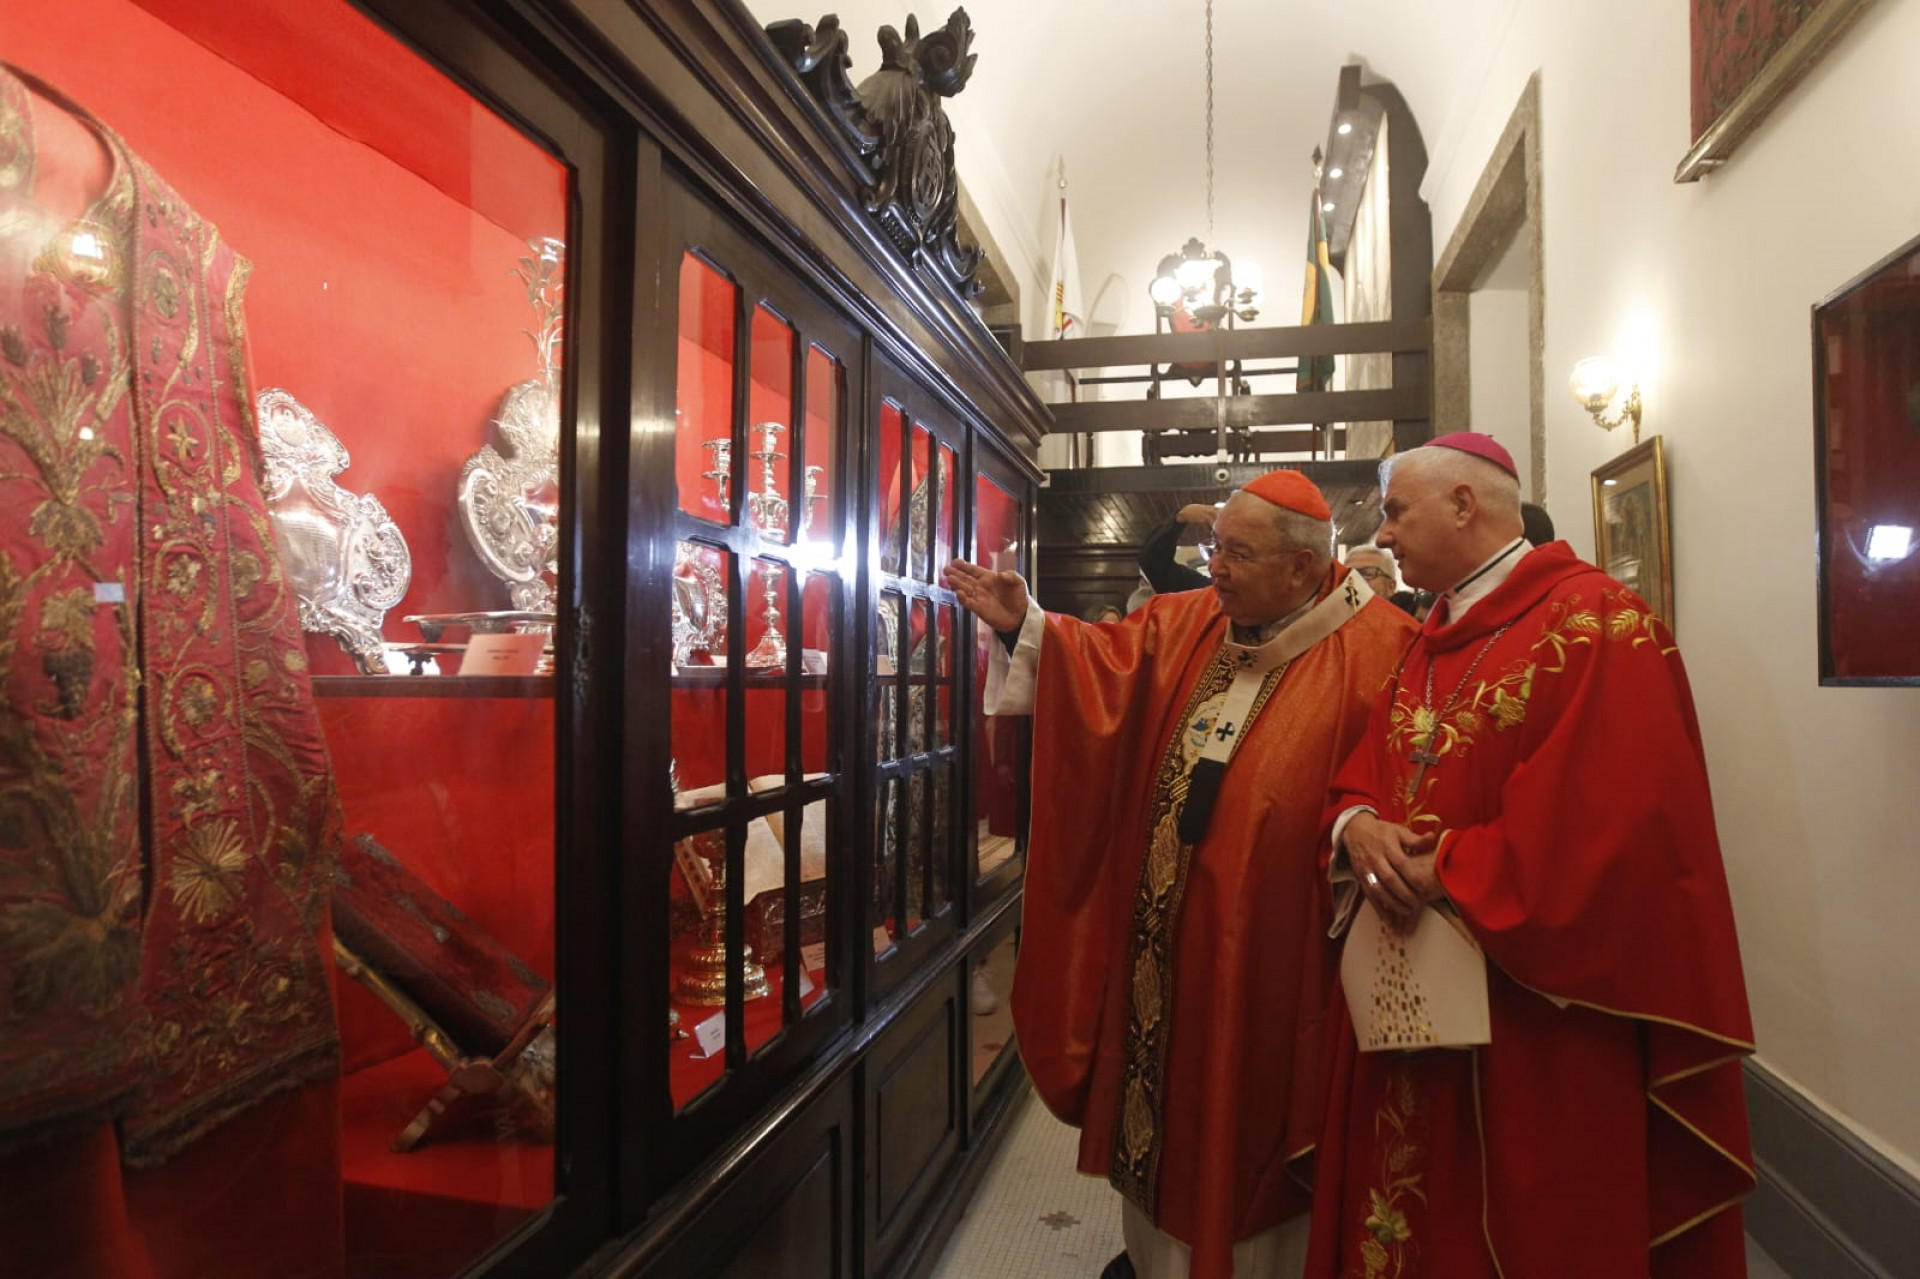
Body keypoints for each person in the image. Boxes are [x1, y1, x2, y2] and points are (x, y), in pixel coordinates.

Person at [943, 471, 1417, 1279]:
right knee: (1165, 1124)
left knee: (1253, 1138)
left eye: (1237, 552)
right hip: (1163, 949)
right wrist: (1027, 621)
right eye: (1214, 547)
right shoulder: (1192, 618)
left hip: (1279, 966)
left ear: (1303, 568)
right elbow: (1102, 663)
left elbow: (1401, 793)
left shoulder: (1385, 651)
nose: (1216, 568)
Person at [1306, 433, 1753, 1278]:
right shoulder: (1428, 636)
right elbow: (1372, 767)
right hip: (1411, 999)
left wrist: (1449, 867)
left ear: (1464, 505)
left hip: (1540, 1018)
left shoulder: (1601, 628)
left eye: (1397, 511)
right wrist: (1355, 826)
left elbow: (1616, 827)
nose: (1386, 536)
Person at [1139, 501, 1218, 594]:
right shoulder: (1203, 589)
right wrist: (1180, 518)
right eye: (1216, 550)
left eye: (1235, 555)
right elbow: (1153, 563)